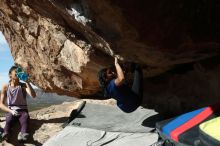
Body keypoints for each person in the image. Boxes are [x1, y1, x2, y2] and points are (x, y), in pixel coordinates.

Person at [0, 66, 36, 142]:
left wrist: (27, 82)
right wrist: (11, 111)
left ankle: (23, 134)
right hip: (11, 110)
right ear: (10, 75)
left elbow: (33, 95)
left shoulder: (23, 85)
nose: (18, 73)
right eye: (16, 72)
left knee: (25, 118)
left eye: (19, 72)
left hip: (23, 110)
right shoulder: (5, 86)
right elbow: (1, 104)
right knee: (9, 119)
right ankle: (5, 133)